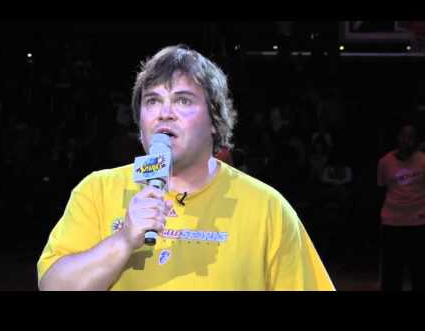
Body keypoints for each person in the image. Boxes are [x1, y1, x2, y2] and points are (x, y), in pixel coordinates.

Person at [37, 45, 334, 291]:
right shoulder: (96, 191)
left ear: (215, 123)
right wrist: (124, 240)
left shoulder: (267, 207)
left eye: (182, 100)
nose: (165, 113)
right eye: (152, 101)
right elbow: (53, 286)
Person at [377, 121, 425, 291]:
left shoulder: (423, 161)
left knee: (419, 272)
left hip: (418, 223)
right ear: (398, 138)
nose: (407, 141)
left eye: (411, 137)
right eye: (404, 136)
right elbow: (381, 188)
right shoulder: (385, 162)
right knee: (391, 273)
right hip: (392, 223)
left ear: (417, 140)